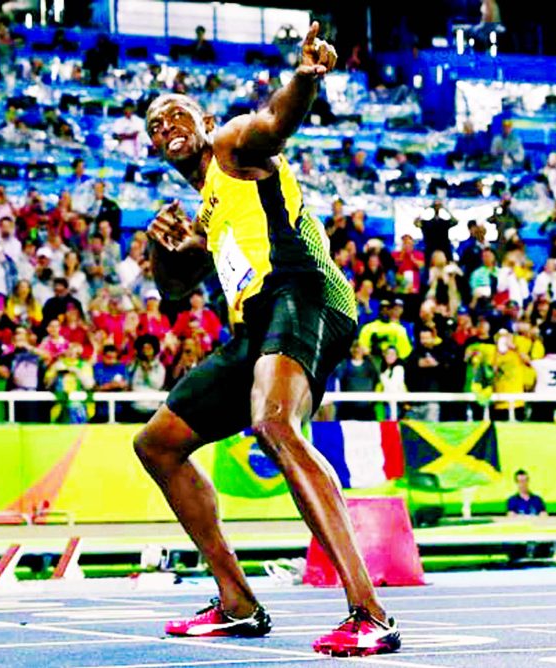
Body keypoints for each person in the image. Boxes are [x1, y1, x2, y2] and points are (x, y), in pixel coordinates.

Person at [137, 23, 399, 656]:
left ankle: (368, 612)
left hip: (305, 292)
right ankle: (236, 601)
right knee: (158, 444)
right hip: (255, 324)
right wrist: (159, 248)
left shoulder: (231, 148)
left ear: (200, 124)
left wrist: (305, 78)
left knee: (274, 425)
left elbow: (276, 123)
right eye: (153, 124)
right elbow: (175, 289)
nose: (165, 124)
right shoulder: (206, 211)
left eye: (176, 113)